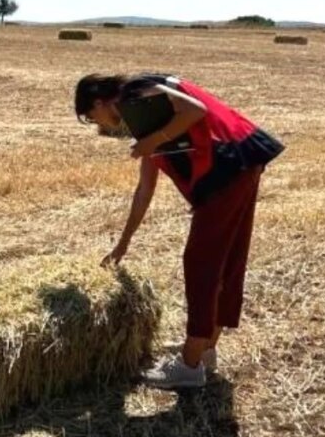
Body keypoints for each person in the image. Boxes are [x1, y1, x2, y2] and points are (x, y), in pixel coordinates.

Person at [74, 72, 284, 389]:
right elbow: (144, 191)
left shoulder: (136, 92)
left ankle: (189, 366)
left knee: (201, 263)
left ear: (100, 102)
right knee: (226, 259)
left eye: (93, 117)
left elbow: (195, 109)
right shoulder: (148, 120)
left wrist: (152, 141)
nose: (100, 125)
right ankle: (204, 349)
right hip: (240, 162)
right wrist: (123, 244)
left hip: (227, 167)